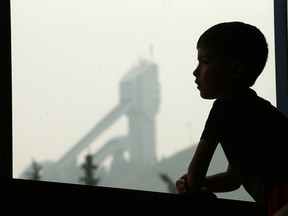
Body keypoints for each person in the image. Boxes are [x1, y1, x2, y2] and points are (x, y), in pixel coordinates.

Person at [176, 22, 288, 216]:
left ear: (235, 70)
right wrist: (200, 182)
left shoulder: (225, 106)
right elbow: (233, 179)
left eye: (205, 62)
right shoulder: (255, 108)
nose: (196, 71)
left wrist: (194, 185)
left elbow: (197, 170)